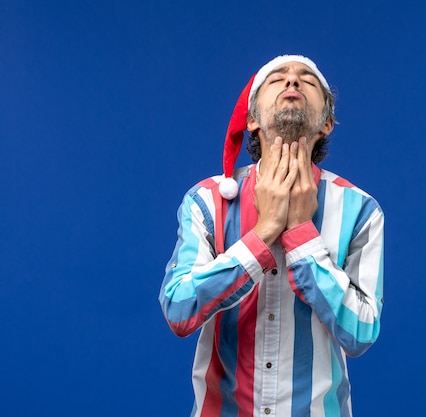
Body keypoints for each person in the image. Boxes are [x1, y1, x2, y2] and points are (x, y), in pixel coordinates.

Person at [159, 55, 385, 417]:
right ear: (252, 119)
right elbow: (179, 310)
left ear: (326, 123)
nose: (293, 82)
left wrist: (300, 233)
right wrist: (263, 234)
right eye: (278, 78)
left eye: (307, 80)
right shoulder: (207, 201)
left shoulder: (360, 210)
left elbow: (360, 332)